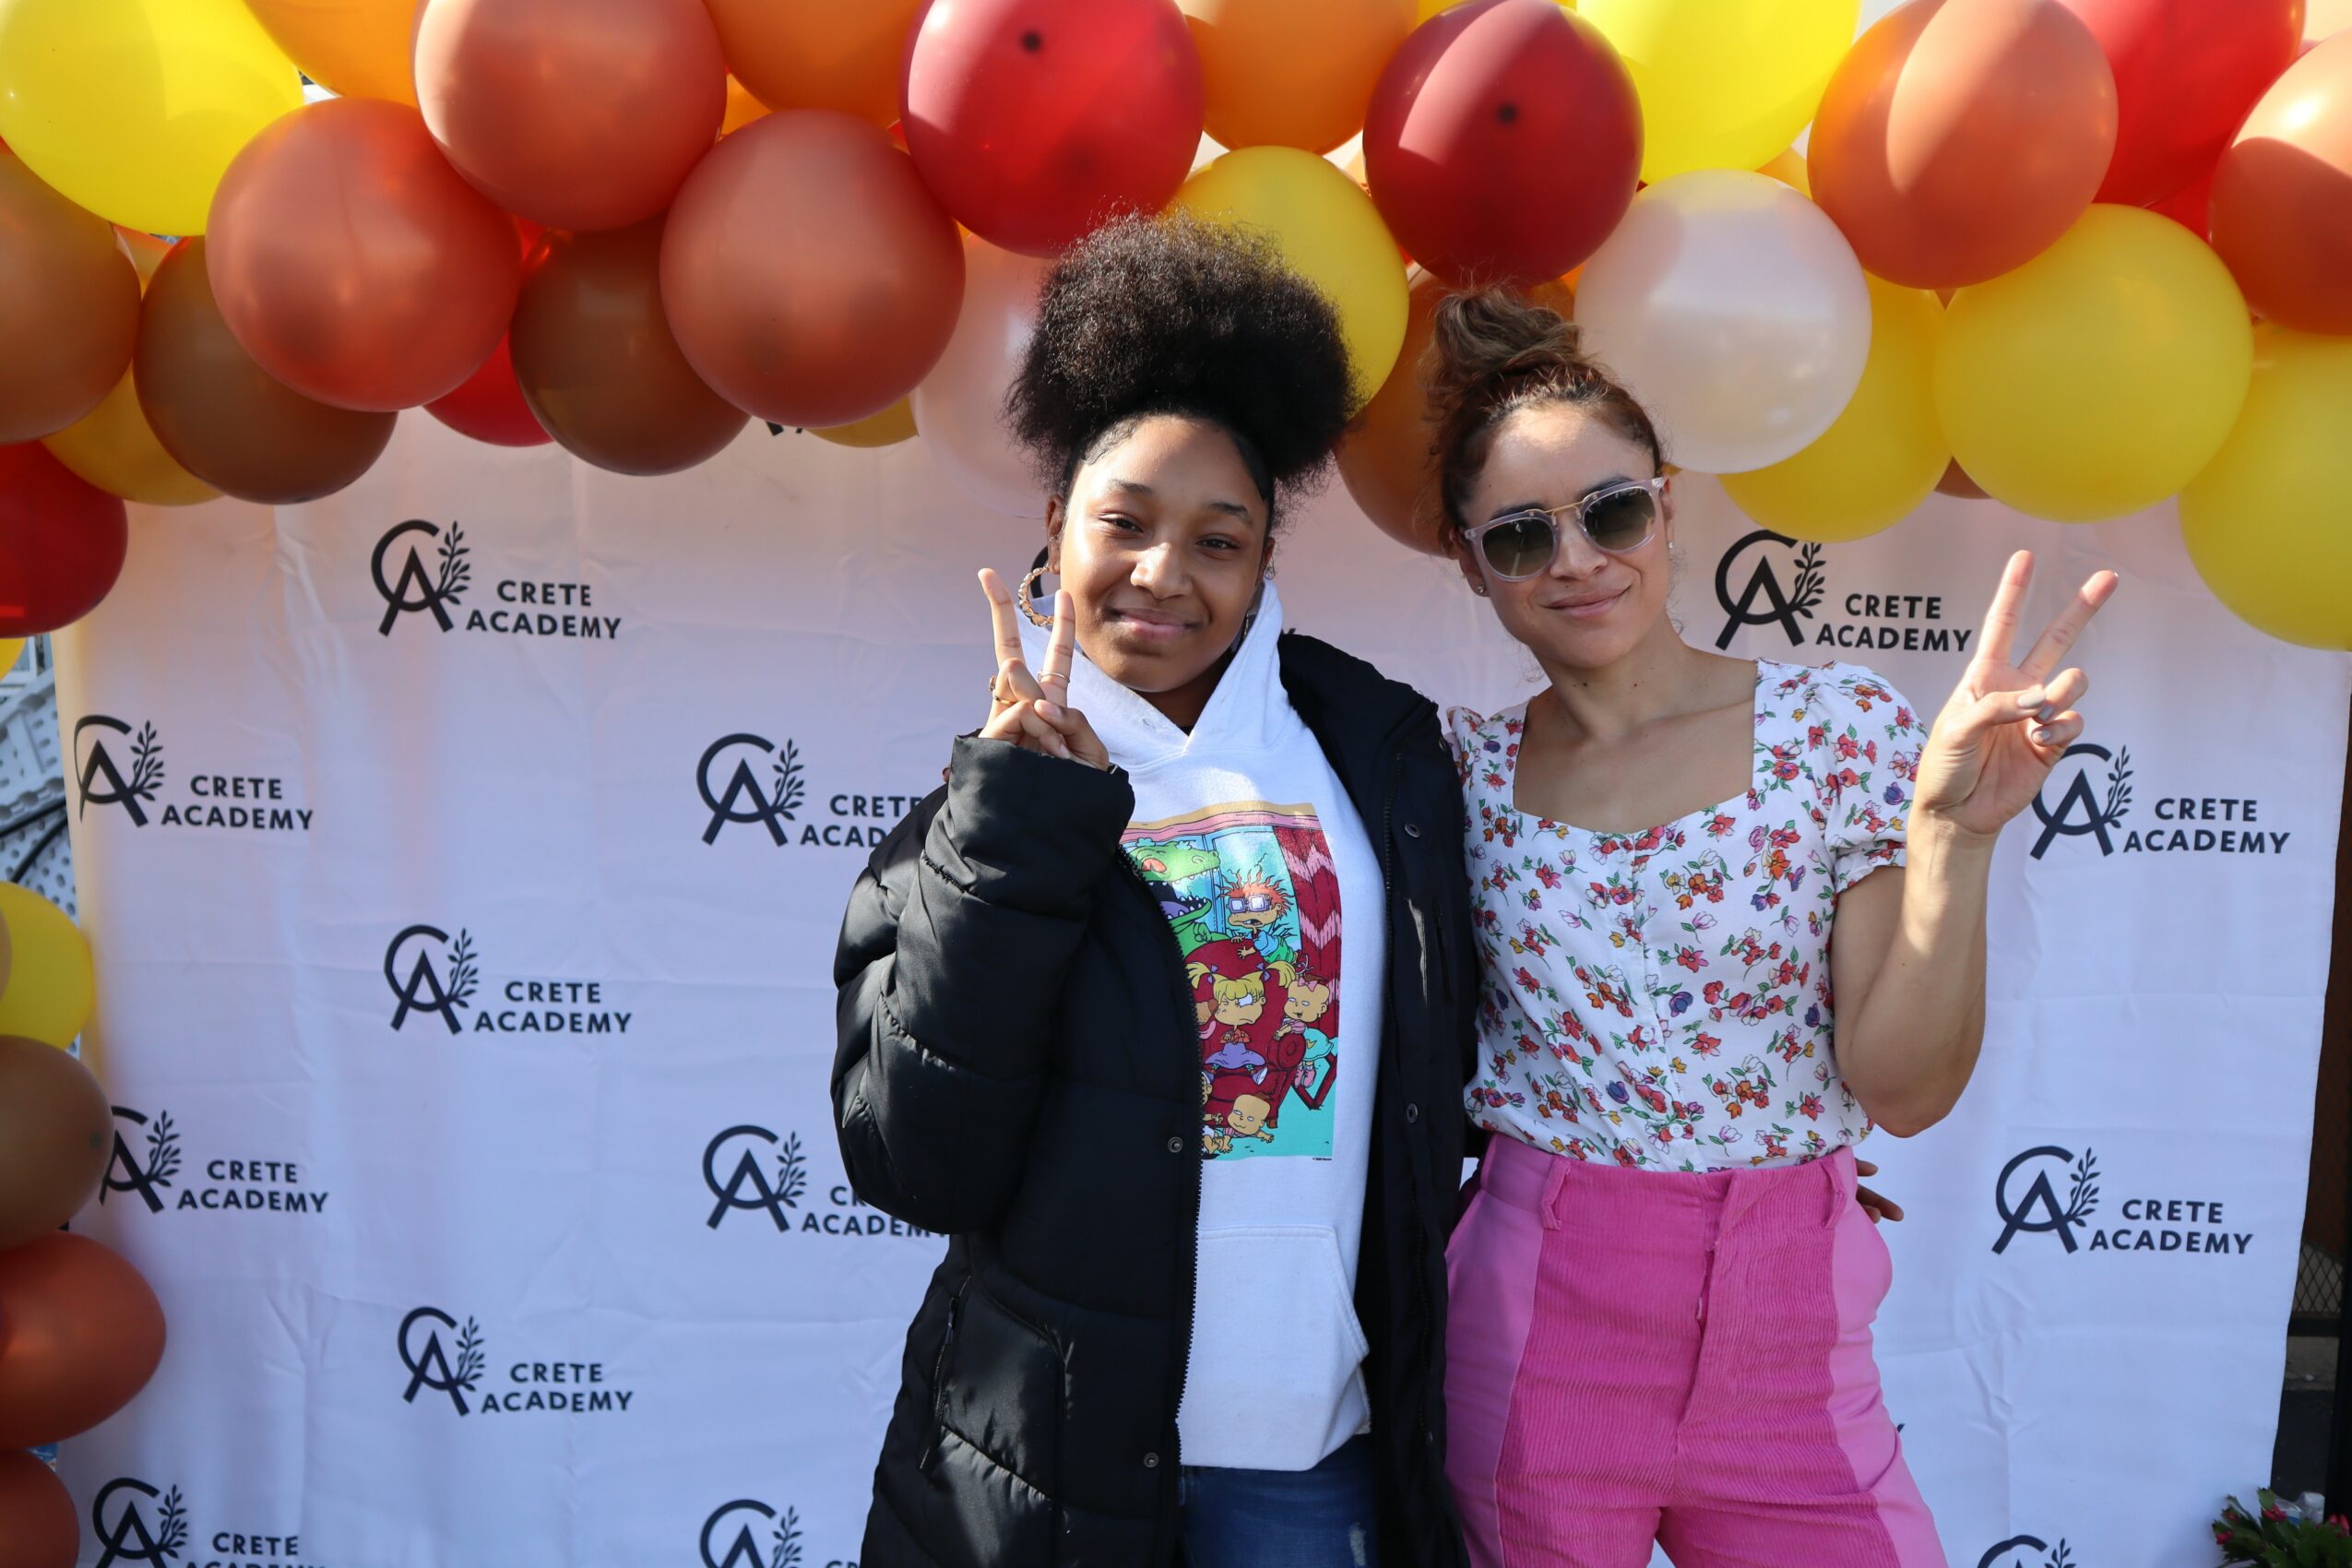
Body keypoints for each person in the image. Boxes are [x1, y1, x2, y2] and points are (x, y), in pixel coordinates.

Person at [1424, 290, 2116, 1567]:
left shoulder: (1833, 728)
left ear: (1668, 506)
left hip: (1790, 1333)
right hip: (1532, 1329)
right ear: (1468, 562)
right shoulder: (1449, 775)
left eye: (1610, 511)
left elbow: (1900, 1093)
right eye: (1520, 536)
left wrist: (1952, 842)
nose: (1576, 559)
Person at [832, 212, 1478, 1568]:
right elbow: (913, 1156)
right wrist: (1018, 825)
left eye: (1219, 540)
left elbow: (1484, 1040)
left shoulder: (1380, 759)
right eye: (1123, 522)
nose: (1162, 575)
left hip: (1310, 1455)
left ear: (1262, 567)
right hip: (1042, 1464)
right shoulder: (971, 817)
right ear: (1056, 528)